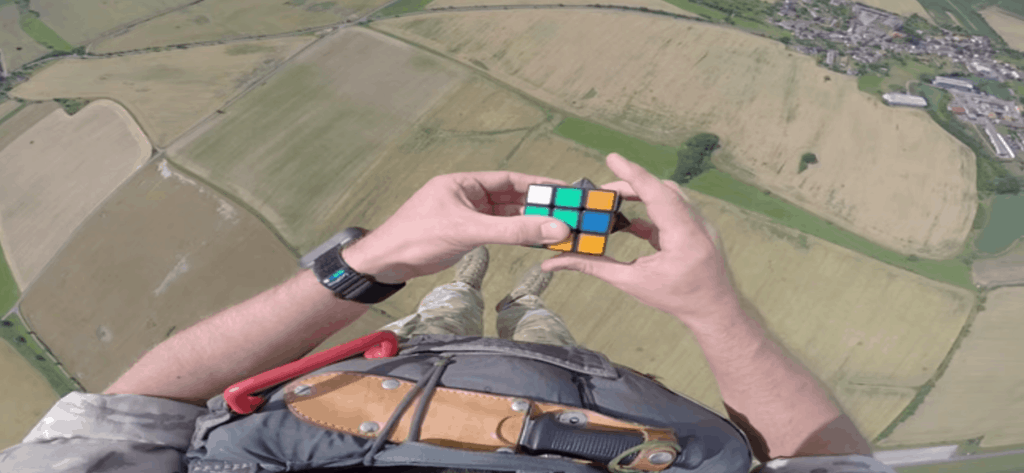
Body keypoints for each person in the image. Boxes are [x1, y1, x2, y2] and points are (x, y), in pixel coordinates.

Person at [0, 153, 894, 473]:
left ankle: (462, 288)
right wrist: (715, 310)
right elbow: (834, 468)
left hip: (371, 379)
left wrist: (366, 264)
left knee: (439, 316)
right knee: (543, 337)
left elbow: (130, 412)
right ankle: (520, 301)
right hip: (581, 402)